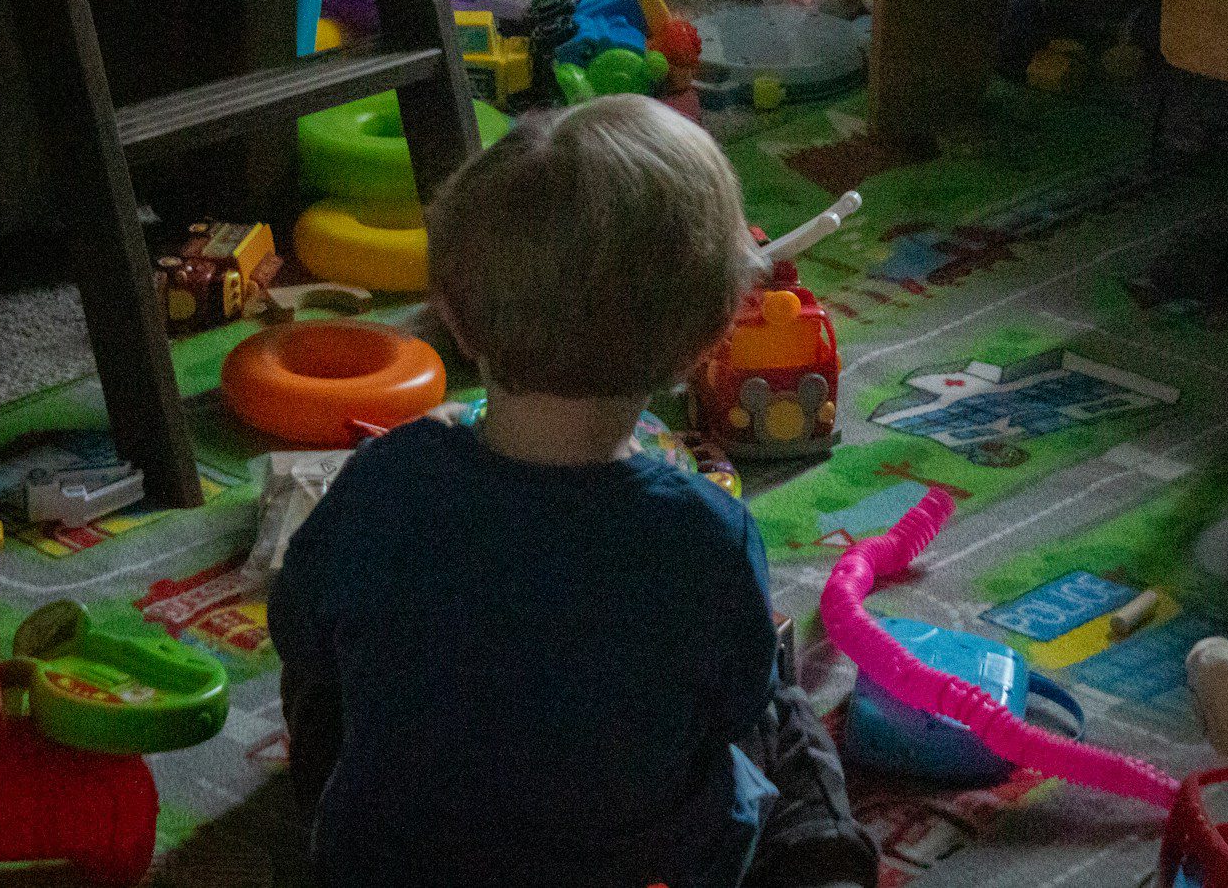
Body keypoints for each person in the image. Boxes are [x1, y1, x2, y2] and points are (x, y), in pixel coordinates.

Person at [269, 95, 876, 888]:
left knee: (331, 670)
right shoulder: (708, 532)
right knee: (781, 707)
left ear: (452, 312)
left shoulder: (387, 477)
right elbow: (733, 708)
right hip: (630, 862)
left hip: (393, 863)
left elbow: (297, 628)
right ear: (704, 343)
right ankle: (819, 861)